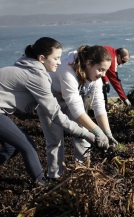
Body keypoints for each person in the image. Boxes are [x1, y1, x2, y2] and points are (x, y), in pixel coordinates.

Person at [0, 37, 107, 194]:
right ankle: (43, 187)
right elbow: (55, 114)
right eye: (55, 58)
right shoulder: (37, 76)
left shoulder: (31, 66)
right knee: (28, 146)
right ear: (42, 58)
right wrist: (86, 133)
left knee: (11, 148)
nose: (59, 62)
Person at [37, 45, 118, 180]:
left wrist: (107, 133)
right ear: (88, 63)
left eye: (105, 71)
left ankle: (84, 172)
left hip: (70, 99)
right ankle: (55, 177)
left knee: (83, 135)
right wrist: (98, 132)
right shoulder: (67, 70)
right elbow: (76, 109)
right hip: (50, 99)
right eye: (101, 70)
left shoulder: (95, 76)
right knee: (55, 141)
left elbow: (99, 104)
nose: (103, 75)